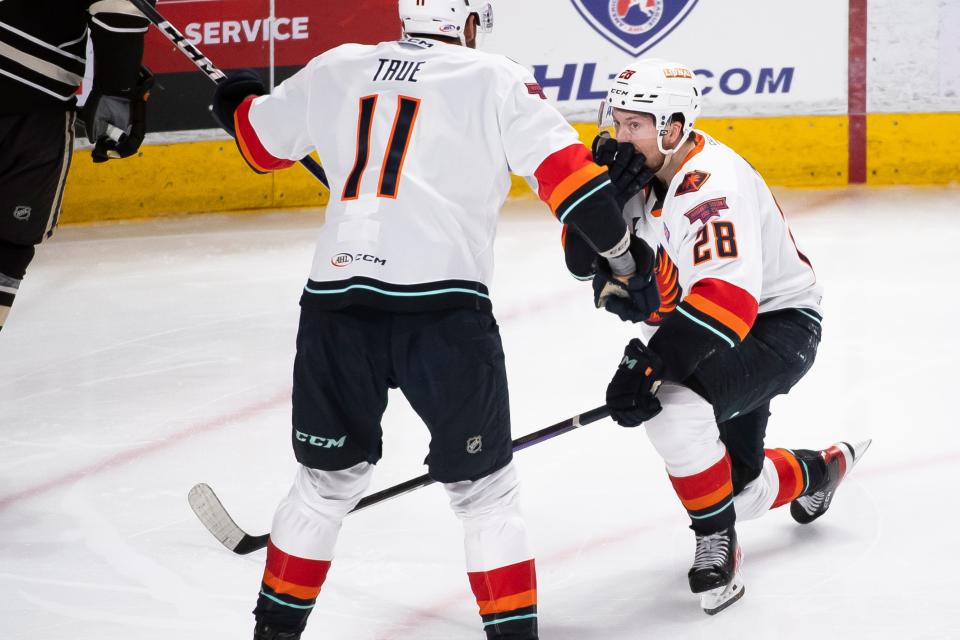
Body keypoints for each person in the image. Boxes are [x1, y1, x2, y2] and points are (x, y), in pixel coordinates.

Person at [209, 1, 659, 638]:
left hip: (337, 305)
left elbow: (259, 144)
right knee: (486, 495)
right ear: (470, 19)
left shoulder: (337, 66)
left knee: (323, 487)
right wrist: (622, 259)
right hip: (444, 312)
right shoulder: (495, 77)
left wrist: (235, 99)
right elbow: (574, 186)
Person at [565, 58, 871, 615]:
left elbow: (729, 303)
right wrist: (602, 201)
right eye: (617, 121)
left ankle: (716, 549)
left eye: (636, 125)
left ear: (674, 128)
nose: (619, 136)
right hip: (706, 330)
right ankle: (820, 470)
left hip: (774, 327)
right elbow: (580, 263)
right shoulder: (630, 171)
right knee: (740, 490)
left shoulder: (711, 185)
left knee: (673, 408)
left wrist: (652, 366)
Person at [0, 0, 152, 333]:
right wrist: (118, 88)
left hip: (29, 101)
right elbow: (118, 8)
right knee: (9, 240)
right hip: (30, 104)